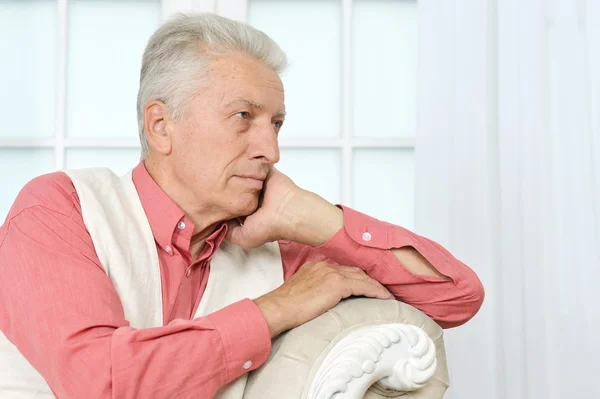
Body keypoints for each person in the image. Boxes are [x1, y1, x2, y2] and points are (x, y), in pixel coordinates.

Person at [0, 13, 484, 399]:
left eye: (275, 123)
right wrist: (276, 309)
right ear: (161, 126)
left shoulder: (276, 242)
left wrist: (311, 216)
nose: (270, 151)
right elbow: (98, 383)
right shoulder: (59, 210)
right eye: (243, 117)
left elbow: (456, 297)